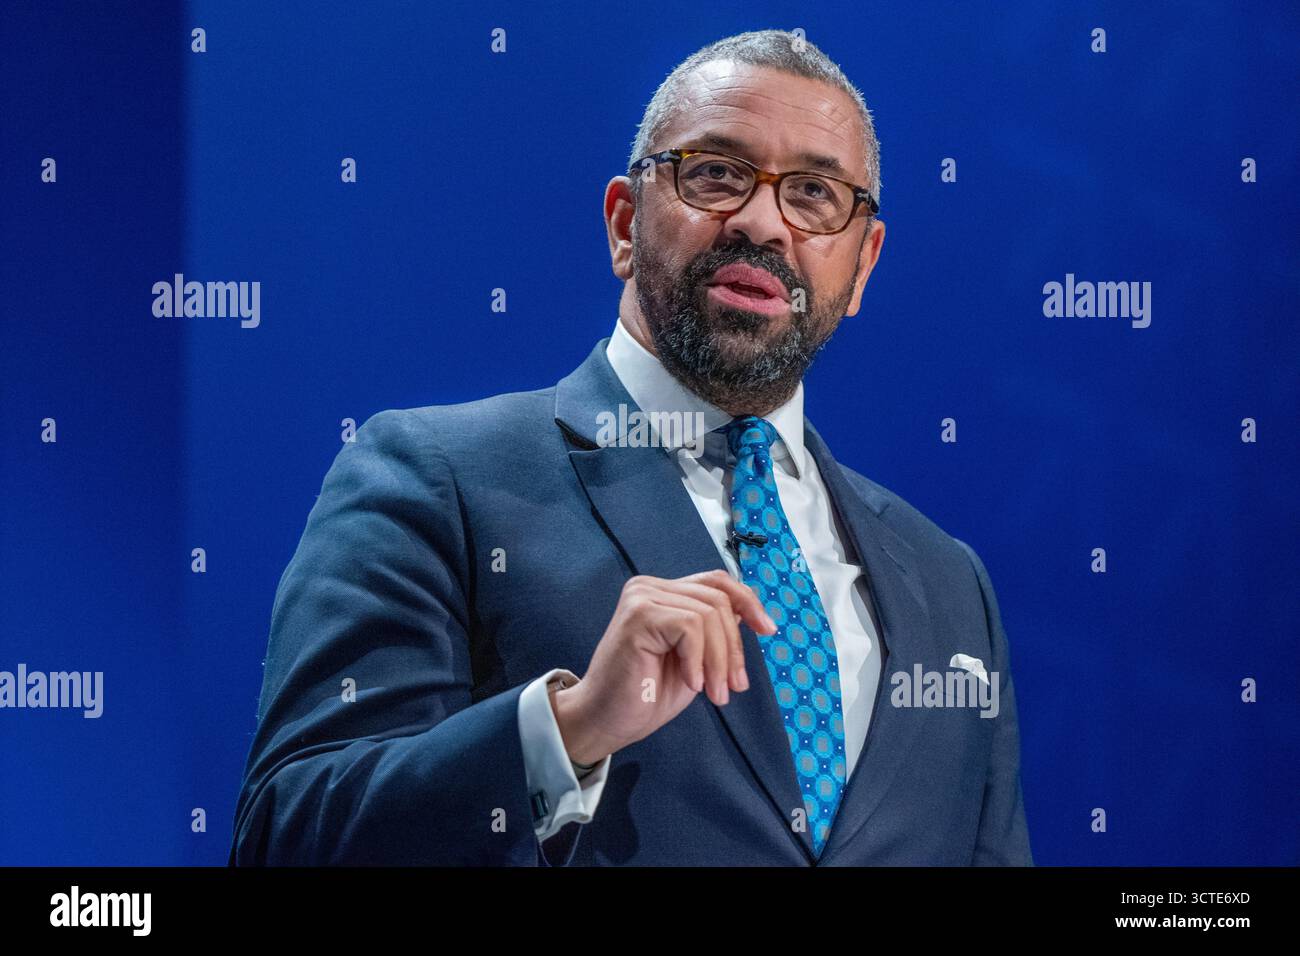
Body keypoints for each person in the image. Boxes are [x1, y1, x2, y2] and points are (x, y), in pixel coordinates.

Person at [229, 29, 1032, 866]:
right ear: (624, 222)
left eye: (815, 193)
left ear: (861, 266)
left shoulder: (949, 582)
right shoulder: (434, 479)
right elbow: (286, 838)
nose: (762, 221)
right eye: (716, 173)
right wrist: (566, 733)